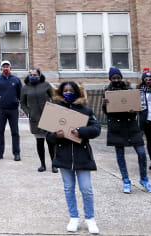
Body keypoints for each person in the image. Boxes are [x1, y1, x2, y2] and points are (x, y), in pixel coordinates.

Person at [47, 81, 101, 234]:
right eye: (65, 90)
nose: (68, 92)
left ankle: (90, 218)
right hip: (64, 156)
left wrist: (81, 132)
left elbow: (96, 129)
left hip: (82, 155)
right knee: (68, 188)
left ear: (76, 92)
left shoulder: (86, 110)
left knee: (86, 189)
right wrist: (55, 135)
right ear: (61, 92)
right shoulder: (56, 110)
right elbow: (48, 135)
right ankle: (74, 217)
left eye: (71, 90)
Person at [103, 67, 151, 193]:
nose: (116, 80)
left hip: (131, 127)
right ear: (110, 79)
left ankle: (144, 179)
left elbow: (136, 109)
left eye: (118, 77)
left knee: (141, 153)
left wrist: (133, 110)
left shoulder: (129, 90)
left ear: (121, 77)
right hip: (117, 127)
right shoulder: (107, 91)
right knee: (120, 156)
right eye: (113, 78)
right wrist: (105, 104)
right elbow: (107, 113)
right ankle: (126, 180)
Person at [21, 69, 56, 172]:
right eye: (31, 75)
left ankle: (54, 164)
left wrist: (53, 109)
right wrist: (29, 113)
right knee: (40, 142)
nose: (33, 76)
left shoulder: (46, 85)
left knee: (50, 142)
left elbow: (54, 97)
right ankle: (42, 164)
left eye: (35, 75)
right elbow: (22, 103)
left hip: (48, 117)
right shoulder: (25, 88)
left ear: (39, 75)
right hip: (35, 119)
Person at [0, 60, 24, 161]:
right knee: (0, 131)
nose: (5, 68)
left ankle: (16, 153)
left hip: (13, 110)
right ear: (1, 68)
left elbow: (21, 95)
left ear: (10, 68)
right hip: (1, 110)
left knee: (15, 132)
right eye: (4, 67)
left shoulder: (16, 80)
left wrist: (22, 108)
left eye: (7, 66)